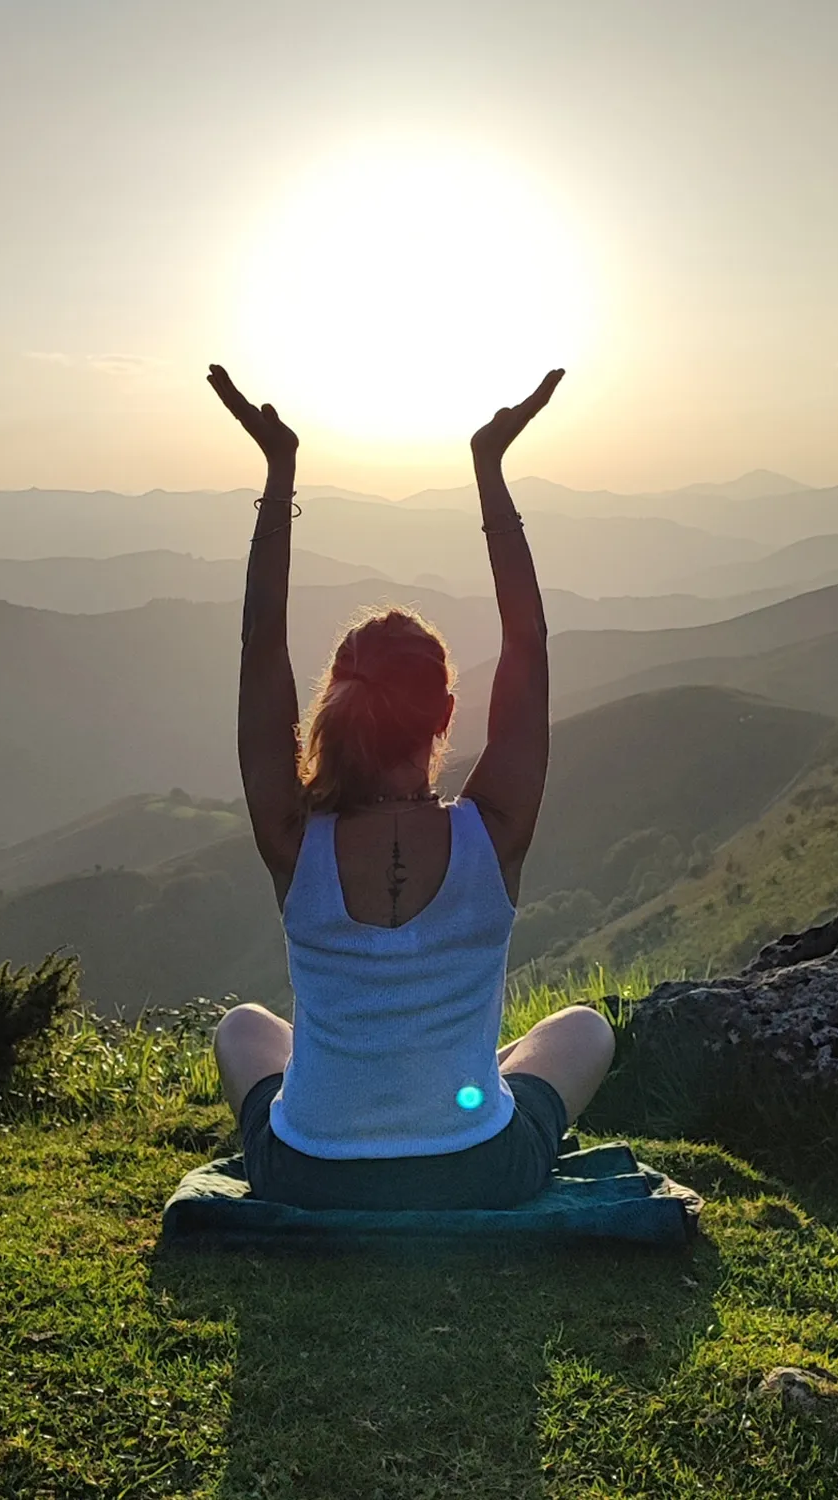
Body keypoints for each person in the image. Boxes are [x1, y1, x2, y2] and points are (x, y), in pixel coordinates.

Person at [206, 362, 615, 1210]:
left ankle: (405, 1093)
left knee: (243, 1026)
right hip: (477, 1168)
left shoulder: (295, 836)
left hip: (307, 1174)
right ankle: (462, 1084)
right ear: (447, 713)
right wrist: (490, 471)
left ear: (335, 710)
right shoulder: (493, 828)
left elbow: (257, 651)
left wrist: (278, 479)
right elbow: (530, 648)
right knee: (583, 1029)